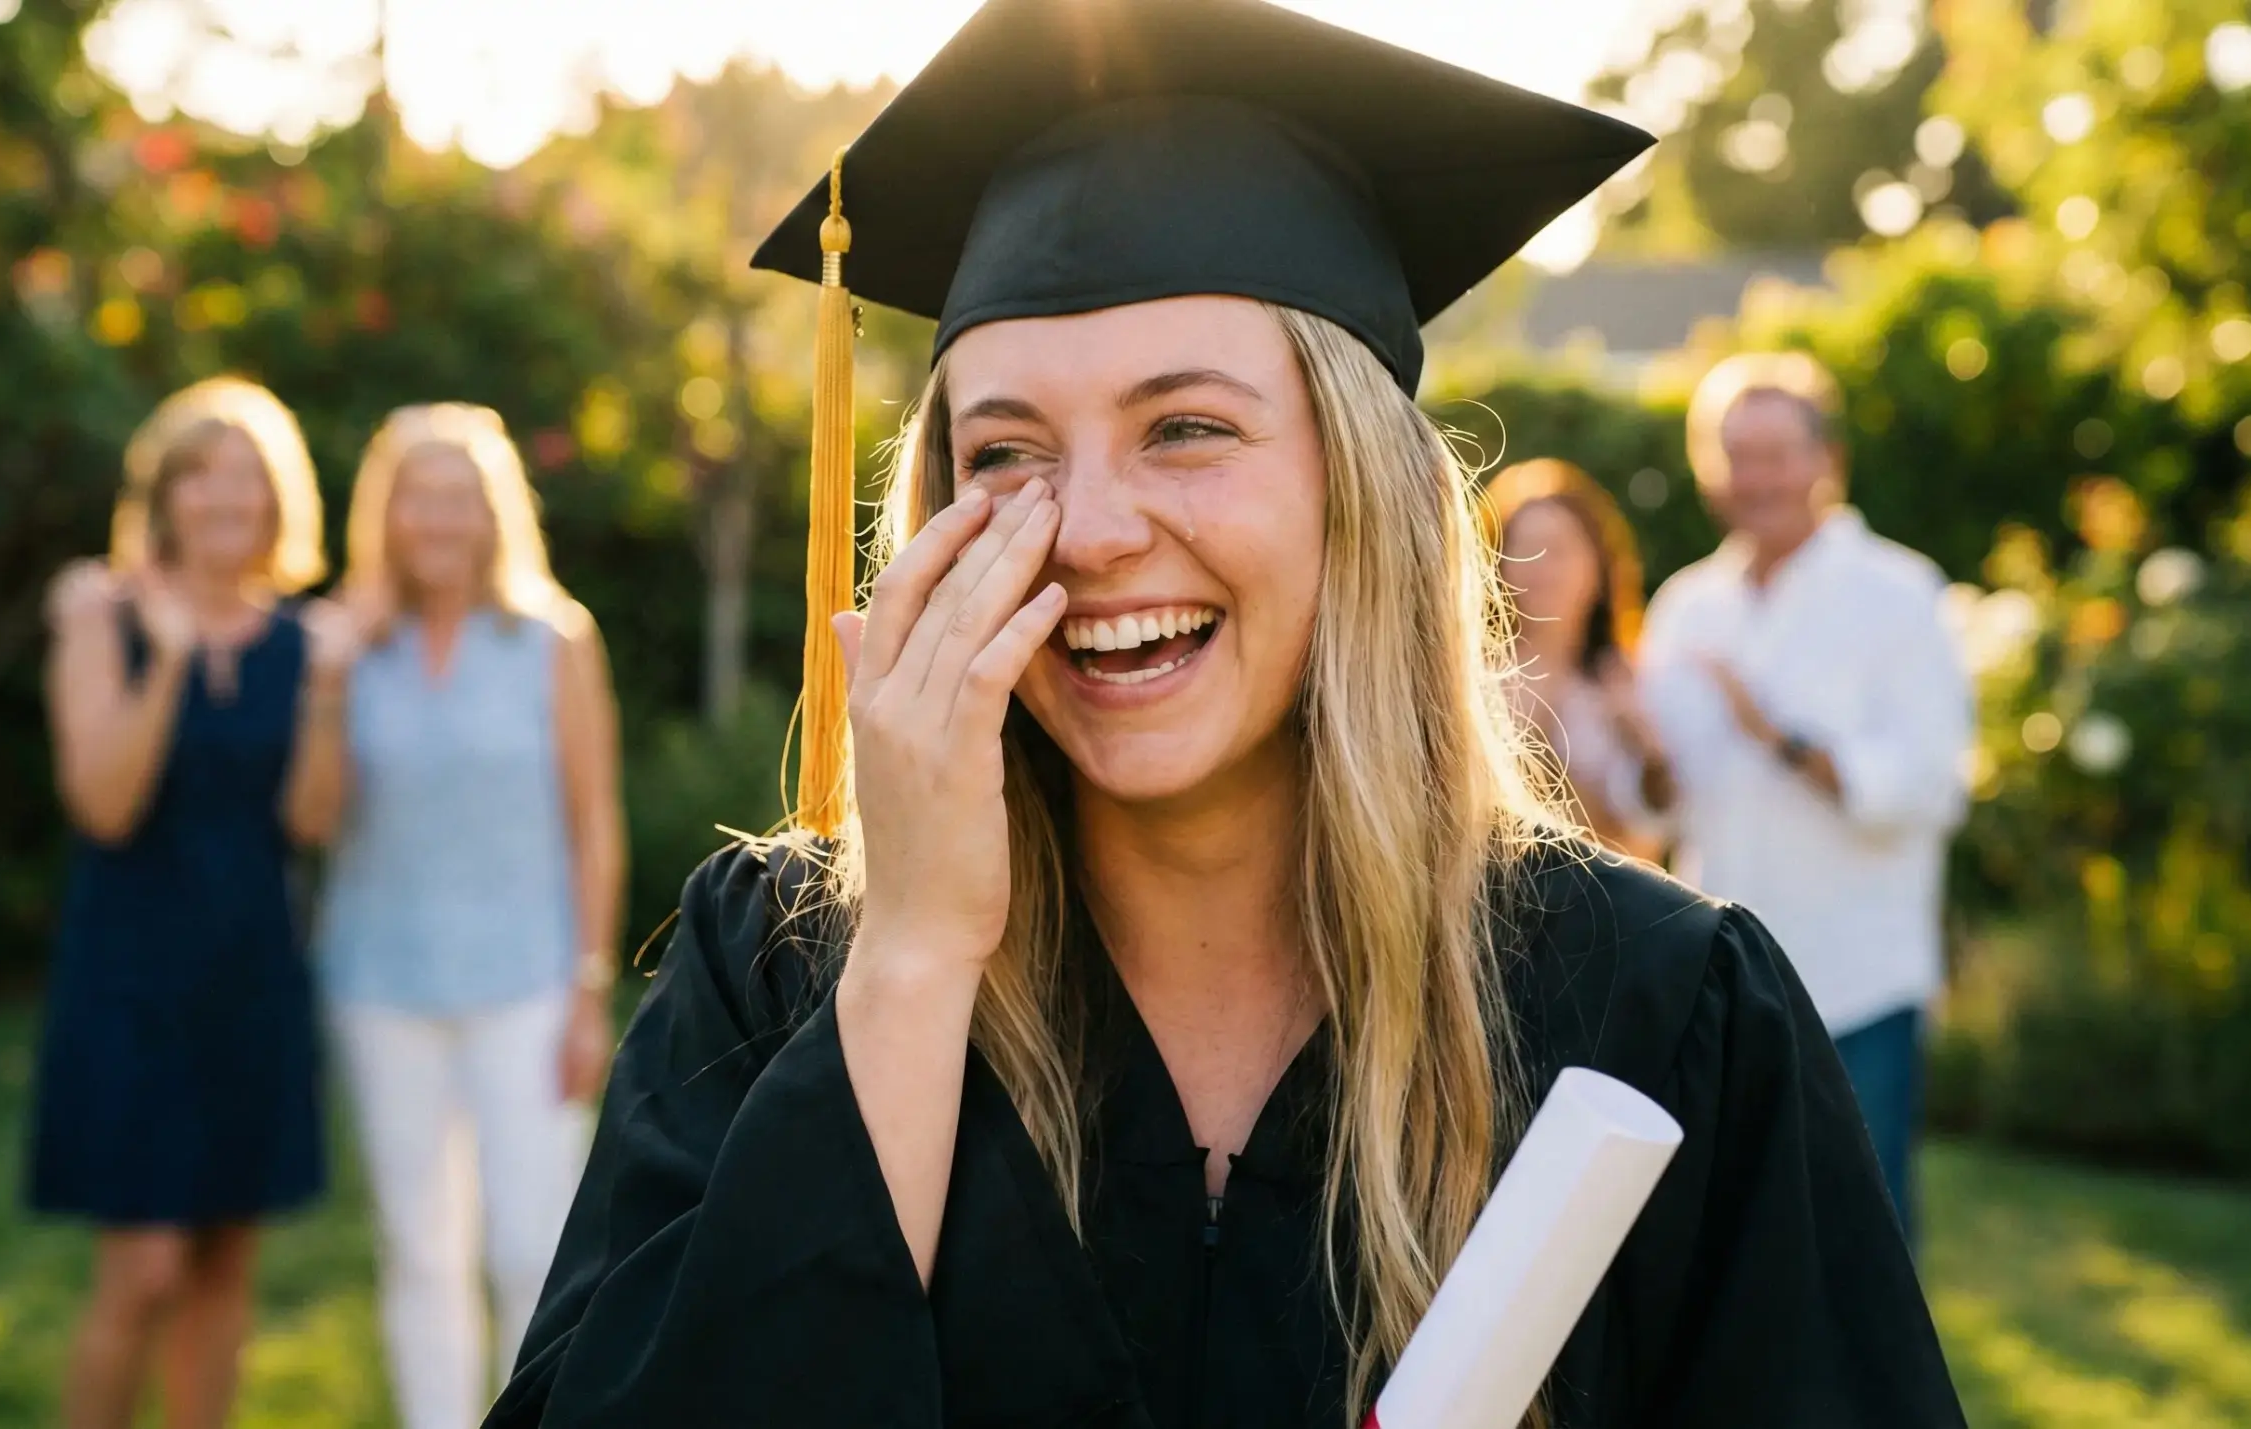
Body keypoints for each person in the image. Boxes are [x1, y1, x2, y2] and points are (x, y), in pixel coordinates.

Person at [493, 1, 1967, 1425]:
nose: (1085, 530)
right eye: (1005, 451)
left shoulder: (1649, 1013)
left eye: (1186, 427)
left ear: (1361, 487)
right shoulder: (778, 976)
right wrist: (917, 958)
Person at [28, 376, 363, 1429]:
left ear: (279, 501)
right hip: (130, 975)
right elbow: (105, 804)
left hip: (251, 970)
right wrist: (169, 658)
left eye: (248, 479)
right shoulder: (100, 615)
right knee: (144, 1268)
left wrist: (326, 692)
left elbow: (310, 823)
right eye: (202, 477)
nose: (227, 499)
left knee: (224, 1264)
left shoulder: (301, 641)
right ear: (164, 495)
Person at [302, 404, 625, 1429]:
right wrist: (325, 679)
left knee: (532, 1244)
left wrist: (587, 987)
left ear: (492, 512)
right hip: (379, 984)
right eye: (417, 497)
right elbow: (310, 821)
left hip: (525, 980)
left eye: (458, 496)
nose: (437, 519)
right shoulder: (352, 642)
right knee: (419, 1247)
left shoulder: (550, 637)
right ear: (385, 514)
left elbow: (593, 821)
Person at [1638, 350, 1975, 1238]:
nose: (1757, 478)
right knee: (1737, 1234)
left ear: (1827, 460)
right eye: (1734, 455)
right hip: (1722, 978)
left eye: (1776, 453)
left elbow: (1926, 787)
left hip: (1855, 980)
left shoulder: (1900, 594)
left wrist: (1776, 734)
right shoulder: (1686, 606)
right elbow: (1663, 812)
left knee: (1861, 1232)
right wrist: (1647, 764)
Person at [1485, 459, 1677, 862]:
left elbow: (1651, 840)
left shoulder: (1629, 681)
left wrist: (1644, 745)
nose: (1542, 569)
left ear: (1599, 564)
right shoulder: (1471, 683)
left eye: (1559, 550)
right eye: (1525, 548)